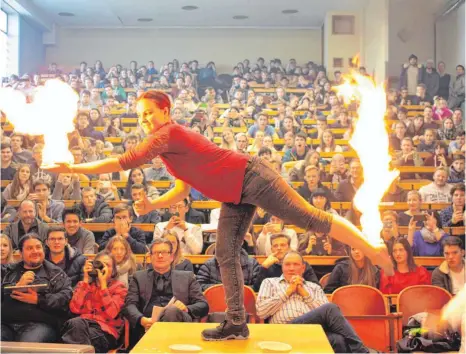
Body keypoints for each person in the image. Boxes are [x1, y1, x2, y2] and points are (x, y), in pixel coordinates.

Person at [46, 90, 394, 341]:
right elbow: (182, 189)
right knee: (224, 253)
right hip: (236, 193)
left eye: (149, 113)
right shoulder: (170, 149)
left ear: (165, 112)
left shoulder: (168, 135)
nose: (144, 120)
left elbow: (121, 162)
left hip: (253, 178)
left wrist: (74, 167)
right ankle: (236, 324)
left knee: (313, 220)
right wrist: (152, 206)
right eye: (140, 116)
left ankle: (374, 249)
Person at [256, 251, 369, 353]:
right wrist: (287, 292)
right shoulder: (269, 282)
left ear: (303, 268)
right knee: (330, 307)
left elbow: (327, 316)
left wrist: (304, 293)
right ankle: (361, 351)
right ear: (282, 267)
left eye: (296, 264)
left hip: (313, 331)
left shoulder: (313, 287)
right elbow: (261, 311)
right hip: (283, 330)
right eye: (287, 264)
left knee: (338, 340)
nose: (291, 268)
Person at [123, 239, 209, 347]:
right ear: (150, 257)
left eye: (164, 252)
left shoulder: (187, 277)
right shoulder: (138, 277)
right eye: (156, 252)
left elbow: (203, 305)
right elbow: (129, 305)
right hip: (147, 327)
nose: (160, 256)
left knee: (172, 311)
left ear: (172, 257)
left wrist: (186, 308)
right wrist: (142, 320)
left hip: (180, 326)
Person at [1, 233, 72, 343]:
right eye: (29, 248)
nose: (35, 251)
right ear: (20, 253)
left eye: (38, 247)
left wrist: (39, 300)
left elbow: (65, 299)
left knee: (26, 346)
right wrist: (16, 286)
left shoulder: (56, 274)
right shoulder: (7, 271)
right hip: (5, 323)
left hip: (40, 325)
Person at [61, 251, 128, 353]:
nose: (102, 268)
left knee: (73, 332)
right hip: (81, 326)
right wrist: (86, 279)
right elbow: (74, 308)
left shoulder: (119, 288)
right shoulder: (85, 285)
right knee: (76, 325)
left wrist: (103, 286)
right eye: (99, 264)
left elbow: (112, 313)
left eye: (107, 265)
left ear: (114, 270)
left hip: (105, 332)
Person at [253, 234, 319, 291]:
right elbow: (257, 290)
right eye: (275, 246)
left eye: (283, 245)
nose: (279, 248)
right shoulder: (267, 266)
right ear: (271, 249)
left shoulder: (301, 264)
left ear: (289, 248)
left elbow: (316, 287)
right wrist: (264, 267)